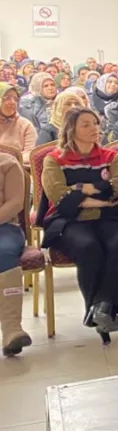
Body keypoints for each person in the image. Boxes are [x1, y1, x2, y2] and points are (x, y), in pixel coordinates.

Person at [39, 108, 118, 340]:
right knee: (88, 247)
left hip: (109, 218)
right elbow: (60, 198)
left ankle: (101, 308)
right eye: (86, 124)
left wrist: (80, 190)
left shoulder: (111, 157)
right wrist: (102, 197)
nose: (94, 128)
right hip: (69, 221)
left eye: (96, 123)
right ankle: (104, 310)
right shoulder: (54, 159)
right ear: (71, 129)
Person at [0, 151, 28, 356]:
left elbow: (15, 202)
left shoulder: (7, 163)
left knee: (4, 253)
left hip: (4, 227)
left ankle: (12, 330)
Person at [0, 83, 37, 161]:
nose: (13, 102)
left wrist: (9, 163)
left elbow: (29, 154)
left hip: (16, 166)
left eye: (16, 99)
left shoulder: (26, 125)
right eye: (7, 98)